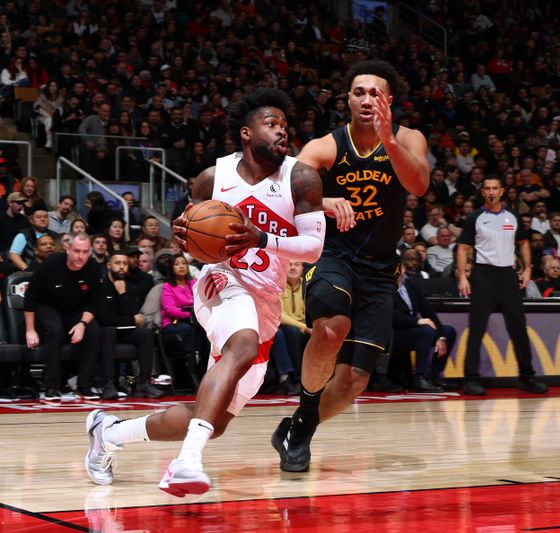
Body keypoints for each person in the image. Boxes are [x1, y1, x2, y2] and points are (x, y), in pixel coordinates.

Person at [84, 88, 325, 496]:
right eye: (271, 123)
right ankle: (186, 462)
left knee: (213, 420)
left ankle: (108, 433)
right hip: (221, 282)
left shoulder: (301, 177)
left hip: (266, 298)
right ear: (246, 134)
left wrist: (261, 238)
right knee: (243, 344)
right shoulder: (214, 177)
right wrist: (187, 243)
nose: (282, 130)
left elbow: (313, 246)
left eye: (285, 124)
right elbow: (191, 232)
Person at [270, 60, 429, 473]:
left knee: (354, 380)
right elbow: (281, 192)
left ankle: (299, 425)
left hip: (380, 270)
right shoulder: (327, 146)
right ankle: (303, 419)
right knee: (330, 327)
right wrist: (321, 202)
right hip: (331, 255)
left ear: (389, 101)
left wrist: (388, 141)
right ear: (348, 100)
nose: (366, 99)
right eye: (359, 92)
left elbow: (419, 185)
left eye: (375, 93)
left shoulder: (409, 139)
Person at [456, 176, 548, 396]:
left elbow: (524, 242)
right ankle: (470, 379)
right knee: (477, 327)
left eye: (495, 188)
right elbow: (462, 248)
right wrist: (462, 277)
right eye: (487, 188)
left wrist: (527, 269)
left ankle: (527, 377)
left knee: (518, 326)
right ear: (482, 192)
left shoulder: (512, 216)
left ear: (502, 191)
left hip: (507, 275)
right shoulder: (475, 218)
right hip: (483, 274)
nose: (491, 192)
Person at [24, 233, 103, 400]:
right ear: (68, 249)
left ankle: (84, 385)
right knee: (55, 329)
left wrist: (82, 323)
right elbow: (30, 298)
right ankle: (51, 386)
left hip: (76, 310)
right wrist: (30, 330)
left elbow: (94, 303)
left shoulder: (94, 268)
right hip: (48, 306)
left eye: (84, 252)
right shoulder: (51, 264)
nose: (80, 256)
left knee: (94, 331)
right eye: (76, 251)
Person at [96, 251, 164, 399]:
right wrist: (131, 320)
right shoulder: (100, 286)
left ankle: (143, 383)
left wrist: (122, 294)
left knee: (146, 334)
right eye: (117, 263)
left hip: (125, 331)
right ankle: (108, 383)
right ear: (108, 265)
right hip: (104, 331)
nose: (121, 267)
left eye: (125, 264)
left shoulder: (131, 288)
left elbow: (132, 314)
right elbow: (104, 319)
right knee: (108, 331)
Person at [391, 261, 457, 392]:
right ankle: (419, 378)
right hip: (392, 334)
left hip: (412, 331)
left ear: (403, 268)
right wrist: (416, 322)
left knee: (448, 331)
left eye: (400, 267)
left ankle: (434, 376)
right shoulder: (383, 286)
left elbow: (428, 311)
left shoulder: (410, 285)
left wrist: (441, 336)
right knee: (425, 331)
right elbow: (390, 315)